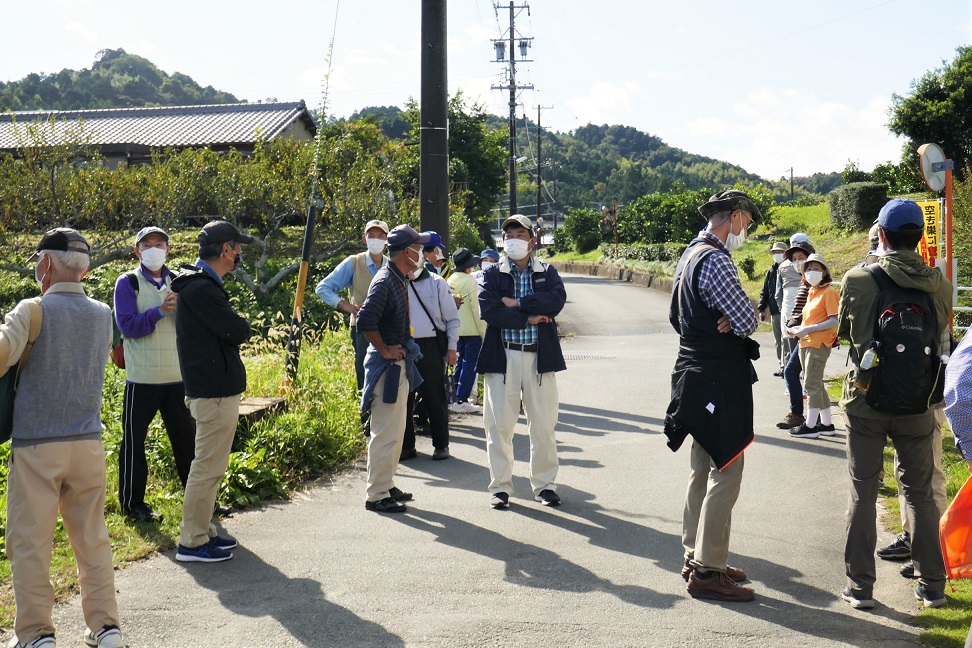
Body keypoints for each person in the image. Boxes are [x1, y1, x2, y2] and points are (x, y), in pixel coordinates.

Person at [2, 228, 124, 648]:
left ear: (47, 264)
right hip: (87, 441)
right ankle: (105, 626)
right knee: (92, 538)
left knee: (30, 543)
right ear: (85, 270)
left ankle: (37, 633)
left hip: (38, 444)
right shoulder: (103, 314)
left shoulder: (31, 310)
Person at [837, 198, 952, 609]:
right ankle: (932, 586)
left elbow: (847, 335)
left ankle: (860, 587)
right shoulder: (940, 285)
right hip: (919, 402)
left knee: (862, 493)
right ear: (919, 237)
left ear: (881, 235)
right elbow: (941, 339)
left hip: (865, 402)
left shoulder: (858, 278)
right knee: (920, 495)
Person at [664, 190, 761, 603]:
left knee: (701, 468)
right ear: (734, 217)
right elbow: (747, 319)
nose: (746, 231)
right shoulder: (717, 260)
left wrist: (726, 319)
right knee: (727, 469)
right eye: (747, 223)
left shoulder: (689, 255)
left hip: (692, 374)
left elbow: (676, 317)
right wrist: (738, 316)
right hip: (719, 378)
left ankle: (696, 554)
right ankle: (708, 569)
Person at [171, 220, 254, 563]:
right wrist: (243, 325)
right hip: (213, 391)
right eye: (238, 247)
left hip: (210, 389)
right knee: (206, 468)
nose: (240, 253)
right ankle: (192, 541)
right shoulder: (202, 288)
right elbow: (236, 330)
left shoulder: (196, 284)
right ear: (226, 250)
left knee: (211, 467)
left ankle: (203, 530)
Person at [477, 214, 567, 510]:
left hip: (539, 357)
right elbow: (490, 311)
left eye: (520, 235)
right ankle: (500, 487)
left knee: (543, 426)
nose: (514, 240)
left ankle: (545, 485)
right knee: (499, 427)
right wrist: (528, 317)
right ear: (503, 241)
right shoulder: (492, 274)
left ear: (532, 240)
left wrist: (517, 303)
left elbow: (555, 302)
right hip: (503, 356)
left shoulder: (546, 272)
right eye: (509, 235)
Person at [113, 226, 196, 523]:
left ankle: (200, 502)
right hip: (142, 378)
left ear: (168, 249)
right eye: (146, 245)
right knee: (134, 444)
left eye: (159, 244)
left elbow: (193, 326)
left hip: (177, 377)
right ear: (137, 251)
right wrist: (160, 311)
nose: (153, 249)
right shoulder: (128, 283)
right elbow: (127, 326)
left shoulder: (181, 281)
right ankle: (133, 505)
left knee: (187, 442)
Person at [357, 225, 430, 513]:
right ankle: (376, 494)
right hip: (386, 367)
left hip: (396, 365)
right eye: (419, 248)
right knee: (385, 433)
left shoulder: (398, 278)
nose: (422, 253)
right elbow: (365, 320)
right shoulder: (386, 280)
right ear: (407, 252)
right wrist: (385, 349)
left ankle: (385, 484)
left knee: (396, 431)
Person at [400, 238, 460, 461]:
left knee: (434, 396)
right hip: (403, 345)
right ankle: (406, 446)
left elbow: (452, 319)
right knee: (403, 398)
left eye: (416, 251)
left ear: (423, 256)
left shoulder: (437, 283)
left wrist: (452, 348)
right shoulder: (396, 281)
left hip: (430, 345)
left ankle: (441, 444)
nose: (412, 257)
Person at [315, 220, 389, 391]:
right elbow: (323, 288)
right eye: (371, 236)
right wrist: (346, 305)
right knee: (365, 373)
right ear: (364, 239)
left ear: (387, 240)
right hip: (363, 327)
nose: (376, 240)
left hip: (388, 326)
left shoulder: (391, 265)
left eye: (380, 236)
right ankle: (365, 407)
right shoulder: (354, 262)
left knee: (388, 374)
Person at [785, 253, 839, 439]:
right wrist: (798, 329)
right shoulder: (812, 292)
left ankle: (810, 426)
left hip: (818, 343)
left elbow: (834, 320)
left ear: (824, 272)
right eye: (808, 269)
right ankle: (826, 424)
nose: (811, 272)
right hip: (806, 341)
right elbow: (811, 319)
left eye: (816, 268)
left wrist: (808, 329)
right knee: (817, 384)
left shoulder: (829, 292)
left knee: (811, 384)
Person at [775, 240, 815, 430]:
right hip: (804, 335)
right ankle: (805, 416)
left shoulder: (814, 282)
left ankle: (810, 419)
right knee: (798, 374)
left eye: (801, 257)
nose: (798, 262)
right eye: (795, 259)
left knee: (807, 378)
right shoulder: (803, 281)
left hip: (813, 336)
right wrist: (794, 321)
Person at [448, 248, 487, 414]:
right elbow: (476, 309)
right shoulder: (471, 281)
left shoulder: (450, 279)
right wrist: (483, 332)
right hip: (472, 331)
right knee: (470, 366)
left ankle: (453, 398)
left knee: (459, 364)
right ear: (468, 266)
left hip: (455, 331)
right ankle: (462, 399)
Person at [757, 241, 787, 376]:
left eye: (780, 252)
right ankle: (782, 366)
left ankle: (789, 366)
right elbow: (765, 291)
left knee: (787, 339)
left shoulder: (791, 269)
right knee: (778, 340)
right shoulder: (771, 272)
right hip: (775, 310)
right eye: (775, 252)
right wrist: (762, 309)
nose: (777, 255)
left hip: (789, 310)